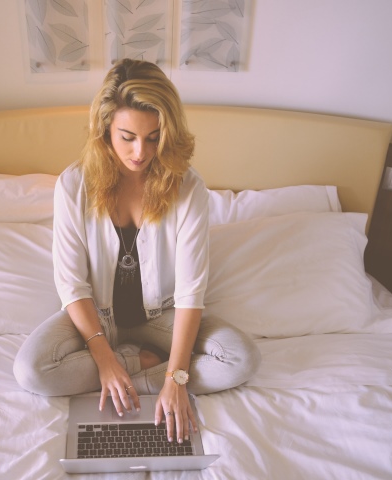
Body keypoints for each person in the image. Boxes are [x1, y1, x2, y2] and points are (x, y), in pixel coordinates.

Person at [14, 59, 260, 445]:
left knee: (241, 358)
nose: (140, 152)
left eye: (153, 137)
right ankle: (139, 363)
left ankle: (151, 375)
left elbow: (191, 292)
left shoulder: (188, 188)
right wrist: (106, 359)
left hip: (164, 315)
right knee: (32, 371)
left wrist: (176, 379)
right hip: (98, 319)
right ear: (105, 129)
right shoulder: (73, 185)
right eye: (127, 136)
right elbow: (71, 283)